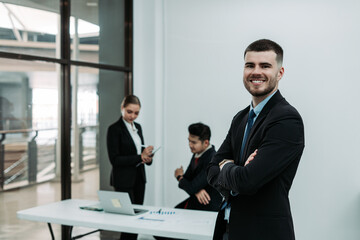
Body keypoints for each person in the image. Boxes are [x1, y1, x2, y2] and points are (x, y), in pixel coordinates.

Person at [207, 39, 305, 240]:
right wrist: (235, 171)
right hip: (227, 229)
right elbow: (210, 170)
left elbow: (247, 181)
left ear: (280, 73)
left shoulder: (286, 119)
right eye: (250, 65)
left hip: (262, 233)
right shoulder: (240, 118)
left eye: (265, 66)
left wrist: (226, 166)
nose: (256, 72)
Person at [106, 95, 154, 240]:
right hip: (123, 180)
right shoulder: (114, 129)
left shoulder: (138, 127)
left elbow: (139, 152)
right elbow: (114, 159)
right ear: (122, 108)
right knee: (127, 221)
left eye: (136, 113)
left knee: (136, 220)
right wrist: (139, 157)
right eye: (129, 112)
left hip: (139, 178)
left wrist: (147, 157)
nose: (133, 116)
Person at [174, 122, 222, 211]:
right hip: (197, 201)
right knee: (174, 211)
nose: (190, 145)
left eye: (193, 142)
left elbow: (189, 185)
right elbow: (188, 179)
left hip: (208, 206)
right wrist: (196, 190)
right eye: (189, 141)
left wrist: (179, 176)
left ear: (206, 143)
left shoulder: (212, 160)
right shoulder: (197, 153)